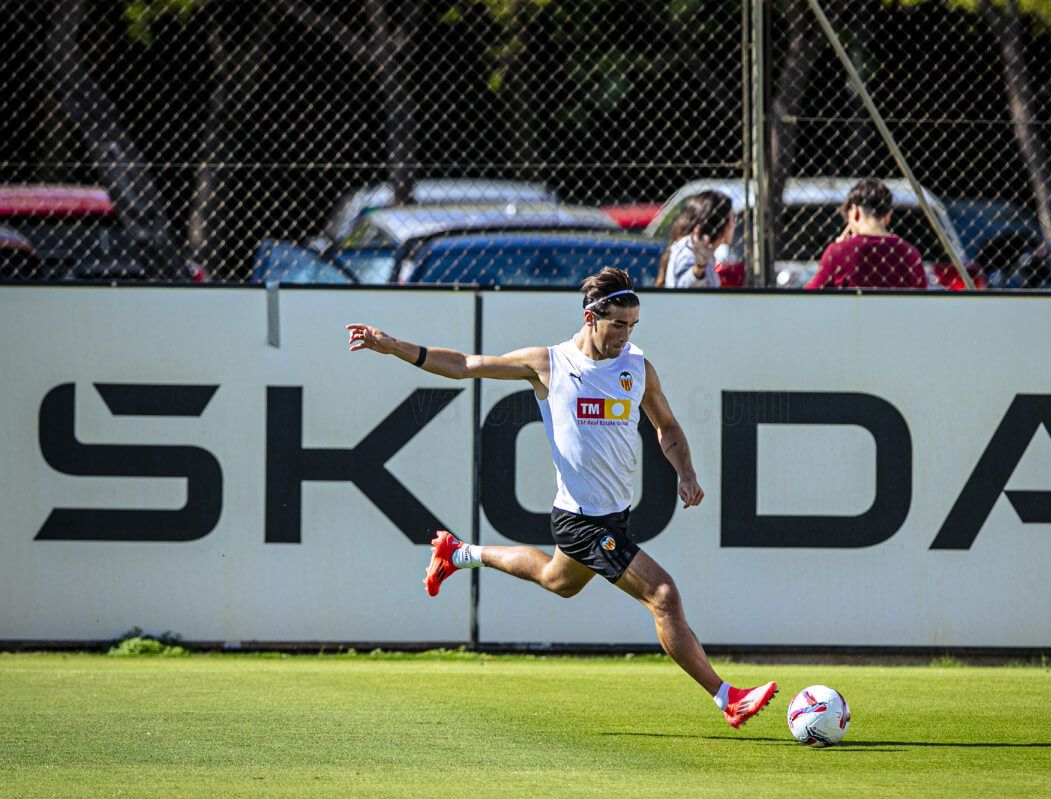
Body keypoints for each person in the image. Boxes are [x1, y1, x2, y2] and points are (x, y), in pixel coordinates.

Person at [346, 267, 777, 729]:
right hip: (581, 521)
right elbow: (465, 365)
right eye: (618, 325)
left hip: (613, 517)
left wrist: (686, 471)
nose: (625, 335)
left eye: (633, 325)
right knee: (663, 595)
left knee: (558, 580)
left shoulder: (637, 367)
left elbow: (666, 426)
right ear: (591, 317)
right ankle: (726, 696)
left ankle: (460, 552)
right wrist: (394, 347)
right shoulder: (548, 363)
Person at [805, 178, 927, 289]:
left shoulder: (837, 252)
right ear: (888, 215)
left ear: (855, 212)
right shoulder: (909, 254)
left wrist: (839, 246)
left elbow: (810, 295)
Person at [658, 190, 736, 289]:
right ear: (720, 222)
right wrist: (698, 268)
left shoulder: (704, 252)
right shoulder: (688, 249)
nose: (734, 225)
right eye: (733, 219)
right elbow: (679, 290)